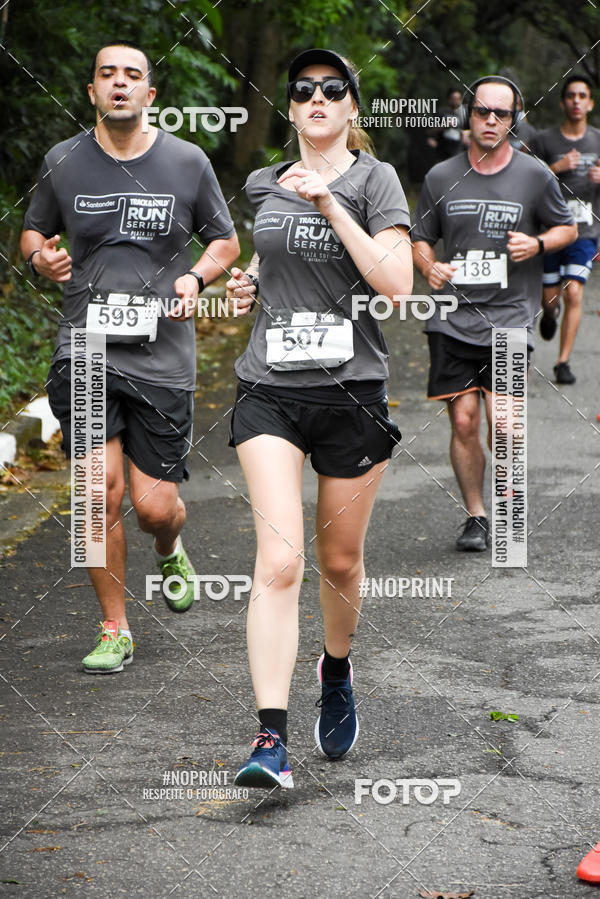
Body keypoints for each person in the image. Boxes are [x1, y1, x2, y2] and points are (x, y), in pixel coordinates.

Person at [225, 48, 412, 788]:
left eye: (333, 89)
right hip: (269, 386)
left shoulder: (376, 180)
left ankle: (336, 669)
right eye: (303, 91)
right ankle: (269, 737)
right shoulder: (262, 182)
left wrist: (330, 205)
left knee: (338, 563)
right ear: (292, 107)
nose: (317, 99)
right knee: (280, 560)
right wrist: (249, 285)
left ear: (352, 107)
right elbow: (272, 263)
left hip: (352, 391)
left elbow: (396, 283)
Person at [21, 42, 239, 672]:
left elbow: (224, 240)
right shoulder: (62, 161)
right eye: (107, 74)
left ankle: (170, 545)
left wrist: (196, 279)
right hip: (84, 346)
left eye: (133, 75)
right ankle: (114, 625)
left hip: (163, 355)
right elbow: (32, 233)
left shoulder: (187, 161)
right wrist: (42, 259)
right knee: (98, 492)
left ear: (151, 94)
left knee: (153, 506)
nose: (119, 83)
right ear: (91, 90)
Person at [412, 76, 576, 552]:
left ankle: (508, 508)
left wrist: (539, 243)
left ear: (513, 119)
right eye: (482, 111)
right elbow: (419, 235)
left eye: (500, 114)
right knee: (464, 421)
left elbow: (566, 228)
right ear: (470, 115)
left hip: (509, 317)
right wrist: (429, 266)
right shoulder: (442, 176)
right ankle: (476, 517)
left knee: (503, 422)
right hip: (451, 316)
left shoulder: (534, 175)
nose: (490, 120)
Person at [530, 75, 600, 384]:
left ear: (590, 103)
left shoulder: (598, 139)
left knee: (573, 291)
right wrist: (556, 168)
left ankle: (563, 362)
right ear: (563, 103)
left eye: (582, 95)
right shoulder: (546, 140)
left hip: (585, 231)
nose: (576, 101)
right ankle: (549, 314)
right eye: (571, 95)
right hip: (552, 230)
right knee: (551, 299)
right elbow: (523, 175)